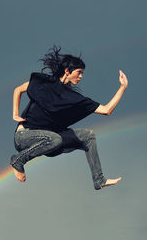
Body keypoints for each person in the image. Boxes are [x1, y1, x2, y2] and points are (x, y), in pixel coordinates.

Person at [10, 45, 128, 190]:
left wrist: (122, 88)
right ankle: (18, 160)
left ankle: (99, 180)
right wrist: (15, 113)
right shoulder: (45, 83)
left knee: (88, 135)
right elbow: (19, 89)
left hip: (48, 139)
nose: (81, 76)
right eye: (79, 73)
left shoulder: (73, 98)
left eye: (82, 73)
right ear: (67, 71)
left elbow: (107, 110)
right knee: (55, 139)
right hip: (24, 136)